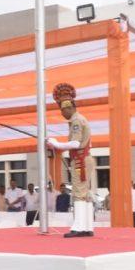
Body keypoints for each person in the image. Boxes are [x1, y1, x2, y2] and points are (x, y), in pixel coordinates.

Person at [46, 83, 96, 238]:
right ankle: (87, 227)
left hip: (80, 159)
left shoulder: (76, 121)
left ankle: (79, 227)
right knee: (85, 193)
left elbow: (75, 143)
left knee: (78, 193)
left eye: (62, 110)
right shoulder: (81, 119)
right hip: (85, 157)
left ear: (69, 107)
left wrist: (56, 144)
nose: (62, 113)